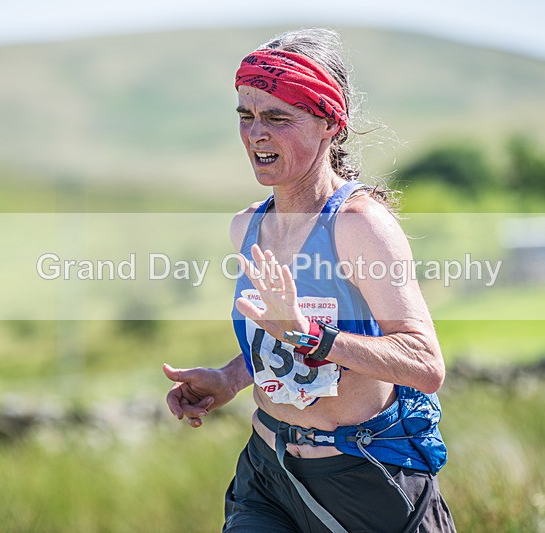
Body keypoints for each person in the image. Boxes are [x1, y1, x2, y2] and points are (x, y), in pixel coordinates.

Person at [163, 28, 456, 532]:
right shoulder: (247, 226)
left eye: (278, 118)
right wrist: (230, 379)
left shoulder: (359, 225)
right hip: (267, 472)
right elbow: (274, 335)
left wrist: (310, 335)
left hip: (363, 477)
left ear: (328, 123)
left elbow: (425, 365)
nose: (257, 134)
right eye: (246, 116)